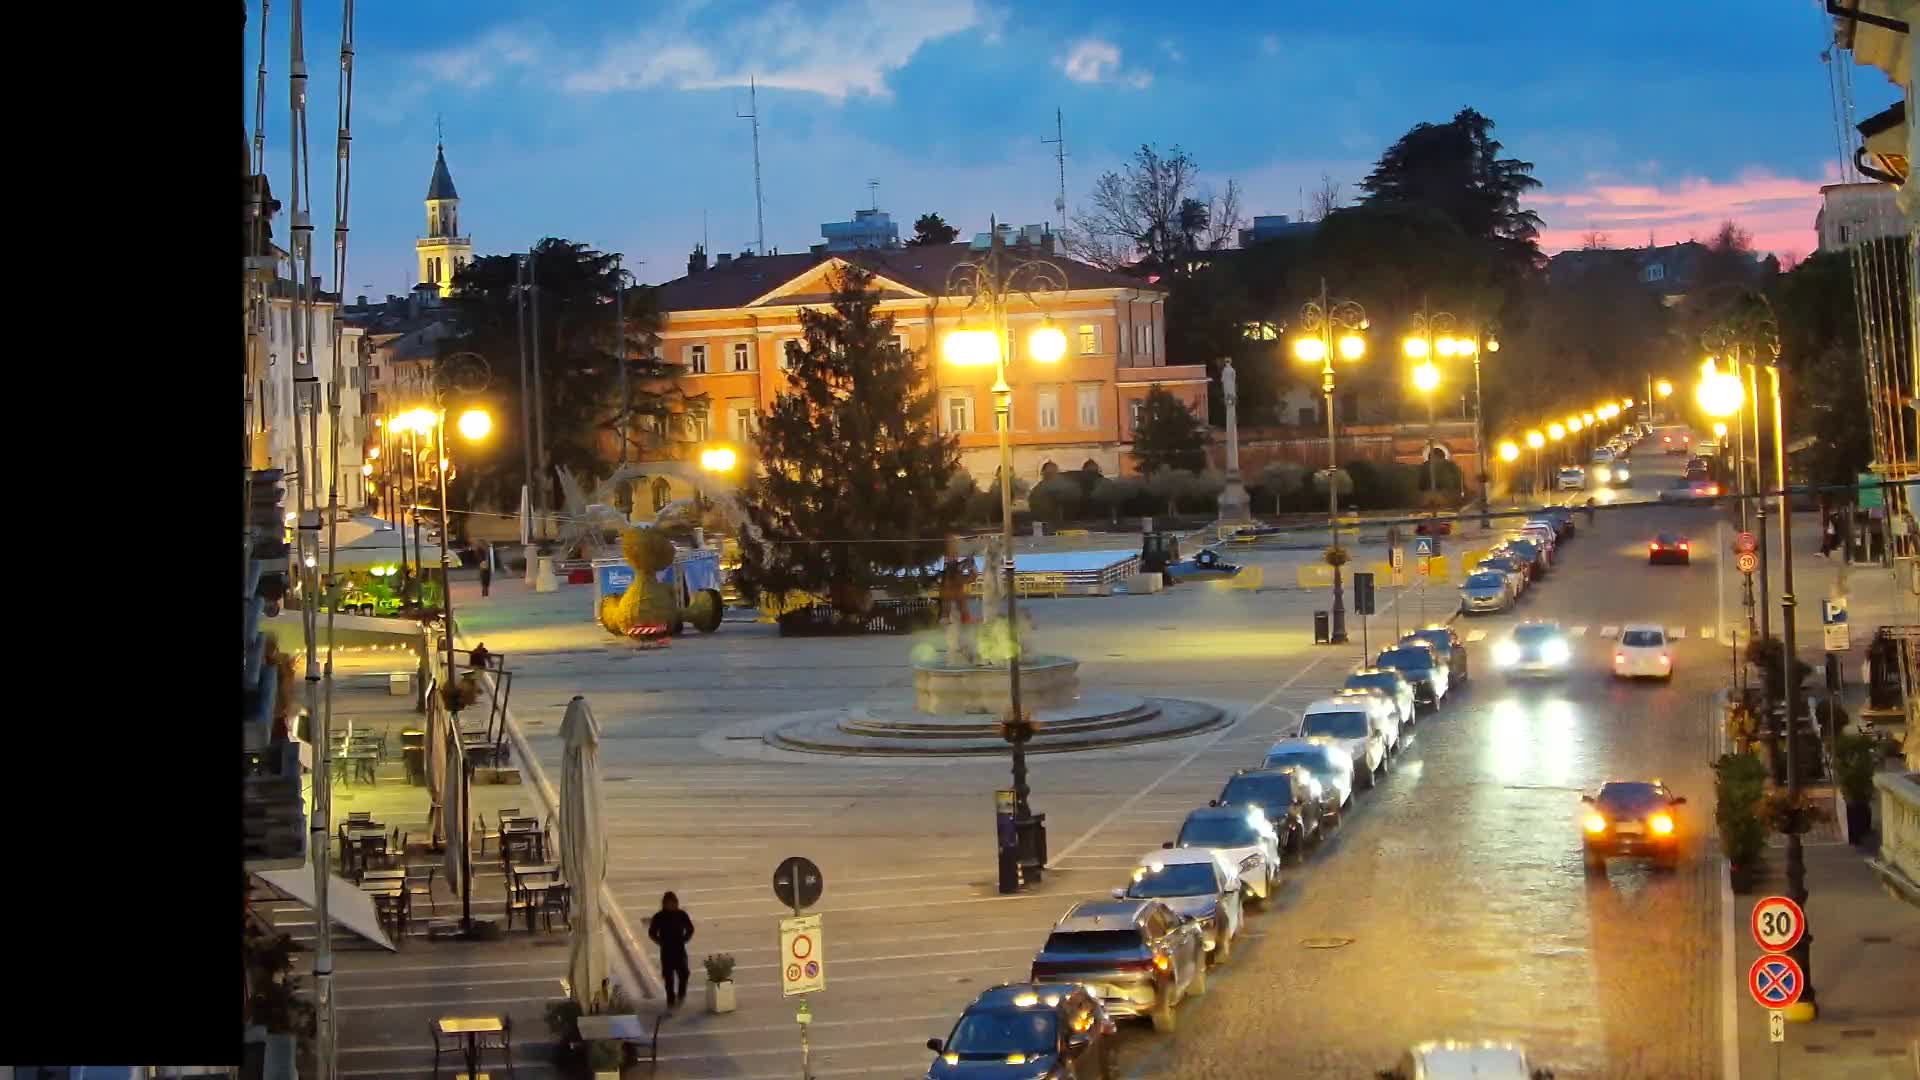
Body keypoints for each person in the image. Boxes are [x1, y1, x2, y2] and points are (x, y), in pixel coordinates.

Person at [649, 891, 695, 1007]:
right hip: (666, 950)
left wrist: (685, 939)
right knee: (668, 976)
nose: (670, 905)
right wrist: (660, 942)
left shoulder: (681, 914)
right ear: (664, 904)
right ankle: (670, 998)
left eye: (672, 903)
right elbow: (652, 932)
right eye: (668, 903)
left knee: (684, 973)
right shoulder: (659, 917)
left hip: (679, 948)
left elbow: (690, 928)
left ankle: (681, 993)